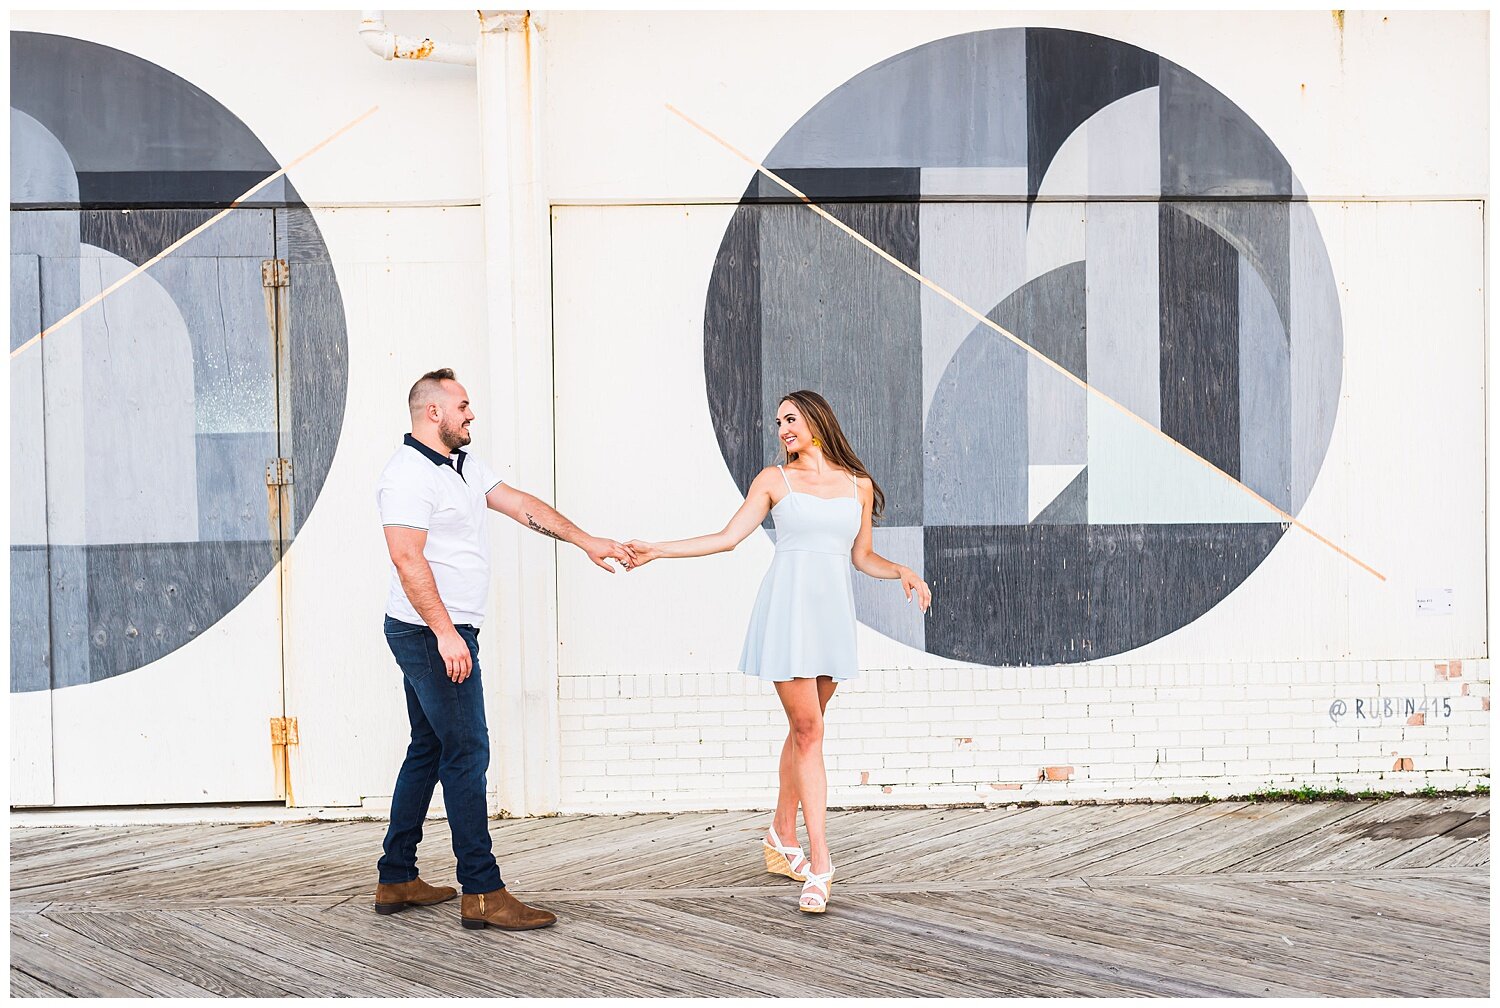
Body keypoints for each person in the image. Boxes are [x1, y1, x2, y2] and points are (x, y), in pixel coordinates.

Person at [625, 389, 931, 913]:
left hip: (832, 617)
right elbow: (726, 538)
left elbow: (860, 557)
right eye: (778, 423)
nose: (782, 429)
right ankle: (821, 863)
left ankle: (779, 831)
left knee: (802, 730)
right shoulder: (774, 480)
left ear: (815, 420)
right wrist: (659, 549)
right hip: (787, 614)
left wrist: (900, 569)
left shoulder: (858, 486)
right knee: (811, 732)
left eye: (789, 419)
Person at [374, 367, 635, 931]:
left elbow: (520, 505)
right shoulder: (406, 476)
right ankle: (483, 892)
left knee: (428, 748)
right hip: (429, 634)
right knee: (466, 754)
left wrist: (587, 541)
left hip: (442, 632)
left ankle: (396, 876)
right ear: (433, 413)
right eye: (463, 405)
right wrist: (446, 633)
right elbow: (406, 558)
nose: (472, 414)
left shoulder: (464, 466)